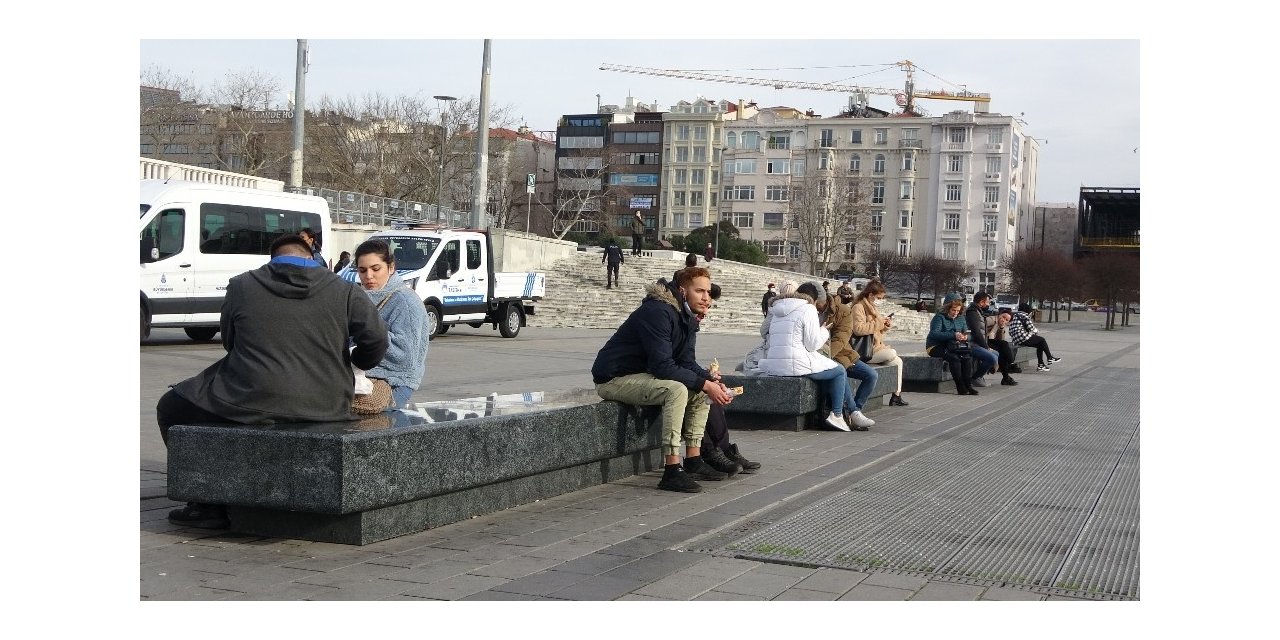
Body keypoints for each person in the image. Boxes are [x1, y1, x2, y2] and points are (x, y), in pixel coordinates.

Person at [156, 234, 388, 528]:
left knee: (170, 408)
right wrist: (357, 363)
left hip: (249, 399)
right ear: (310, 258)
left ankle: (206, 503)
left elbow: (230, 342)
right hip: (326, 402)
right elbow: (377, 341)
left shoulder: (242, 285)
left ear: (272, 260)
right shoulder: (344, 290)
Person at [591, 267, 735, 493]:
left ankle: (694, 460)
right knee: (677, 390)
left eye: (708, 291)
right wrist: (706, 384)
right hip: (614, 378)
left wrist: (710, 382)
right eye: (699, 291)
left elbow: (687, 363)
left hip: (643, 375)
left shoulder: (686, 316)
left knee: (699, 390)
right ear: (682, 290)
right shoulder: (658, 311)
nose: (706, 297)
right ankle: (671, 470)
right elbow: (662, 366)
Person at [758, 281, 852, 431]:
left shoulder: (776, 309)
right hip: (795, 365)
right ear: (813, 299)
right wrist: (823, 330)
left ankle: (851, 411)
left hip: (774, 364)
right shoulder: (807, 309)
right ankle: (837, 415)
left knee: (829, 366)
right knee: (839, 371)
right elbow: (812, 344)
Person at [354, 239, 430, 409]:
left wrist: (366, 333)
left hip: (395, 382)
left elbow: (405, 357)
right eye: (362, 270)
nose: (369, 276)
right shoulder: (359, 297)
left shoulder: (405, 301)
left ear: (391, 267)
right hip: (361, 377)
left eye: (375, 269)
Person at [696, 283, 762, 475]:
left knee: (711, 389)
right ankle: (709, 451)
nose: (705, 311)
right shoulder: (667, 317)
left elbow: (682, 362)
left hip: (666, 372)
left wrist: (707, 377)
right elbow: (667, 364)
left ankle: (723, 449)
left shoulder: (686, 322)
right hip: (643, 377)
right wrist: (703, 381)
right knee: (699, 392)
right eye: (702, 294)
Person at [823, 282, 877, 431]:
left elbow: (841, 338)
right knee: (841, 371)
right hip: (829, 356)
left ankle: (856, 411)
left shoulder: (843, 311)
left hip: (843, 352)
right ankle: (853, 413)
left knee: (871, 375)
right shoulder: (812, 311)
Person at [850, 280, 909, 407]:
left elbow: (876, 332)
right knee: (892, 352)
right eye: (878, 298)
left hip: (874, 347)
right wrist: (880, 322)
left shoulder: (873, 307)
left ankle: (896, 396)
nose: (879, 300)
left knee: (898, 361)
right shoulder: (858, 307)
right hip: (864, 350)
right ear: (870, 295)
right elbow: (858, 329)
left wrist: (885, 326)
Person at [926, 293, 979, 396]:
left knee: (967, 357)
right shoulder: (939, 317)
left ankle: (968, 385)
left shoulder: (961, 318)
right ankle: (960, 386)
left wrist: (965, 337)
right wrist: (953, 335)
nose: (955, 313)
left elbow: (969, 334)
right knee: (954, 358)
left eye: (958, 311)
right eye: (953, 310)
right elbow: (934, 334)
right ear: (947, 308)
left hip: (954, 345)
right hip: (935, 346)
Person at [963, 292, 1006, 387]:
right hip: (971, 344)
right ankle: (975, 378)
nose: (989, 304)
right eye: (988, 302)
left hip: (977, 343)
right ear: (982, 302)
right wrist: (986, 347)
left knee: (996, 354)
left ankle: (981, 375)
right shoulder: (973, 312)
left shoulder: (977, 311)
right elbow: (976, 332)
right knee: (992, 358)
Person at [1009, 303, 1061, 371]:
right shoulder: (1024, 315)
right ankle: (1049, 357)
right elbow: (1032, 329)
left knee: (1040, 344)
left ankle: (1041, 364)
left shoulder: (1015, 316)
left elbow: (1010, 331)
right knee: (1042, 340)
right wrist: (1036, 332)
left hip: (1016, 340)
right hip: (1023, 338)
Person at [986, 310, 1024, 379]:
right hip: (984, 341)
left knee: (1003, 349)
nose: (1004, 320)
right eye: (1003, 317)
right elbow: (982, 327)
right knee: (1004, 347)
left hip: (991, 341)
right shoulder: (991, 320)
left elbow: (1001, 339)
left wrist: (1001, 327)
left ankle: (1006, 377)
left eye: (1006, 320)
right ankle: (1010, 366)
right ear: (1000, 314)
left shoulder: (1001, 324)